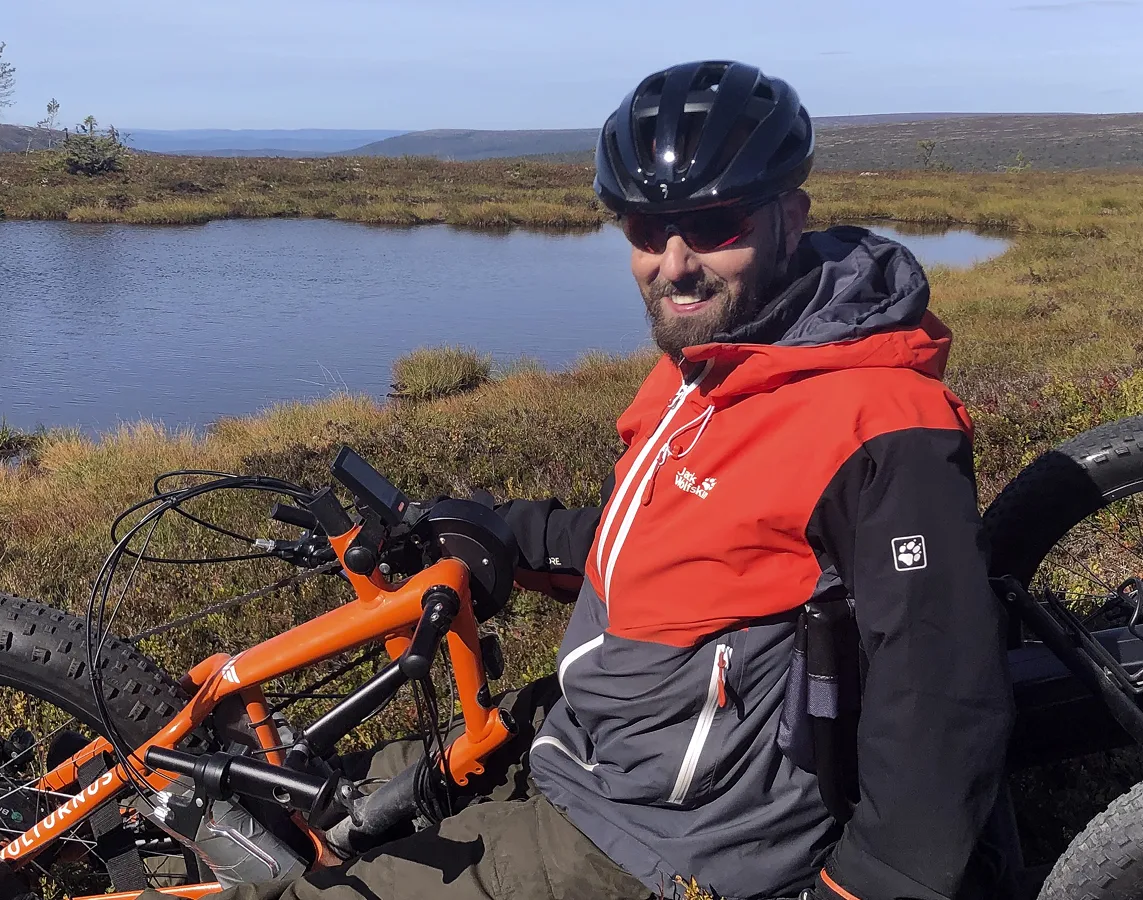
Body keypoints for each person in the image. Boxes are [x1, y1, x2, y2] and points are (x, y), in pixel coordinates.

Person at [146, 59, 1014, 900]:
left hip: (668, 837)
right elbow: (667, 540)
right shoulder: (705, 366)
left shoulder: (879, 421)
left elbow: (942, 689)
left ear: (792, 213)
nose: (674, 265)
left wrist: (871, 886)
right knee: (304, 795)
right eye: (644, 232)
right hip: (581, 741)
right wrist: (508, 534)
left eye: (715, 227)